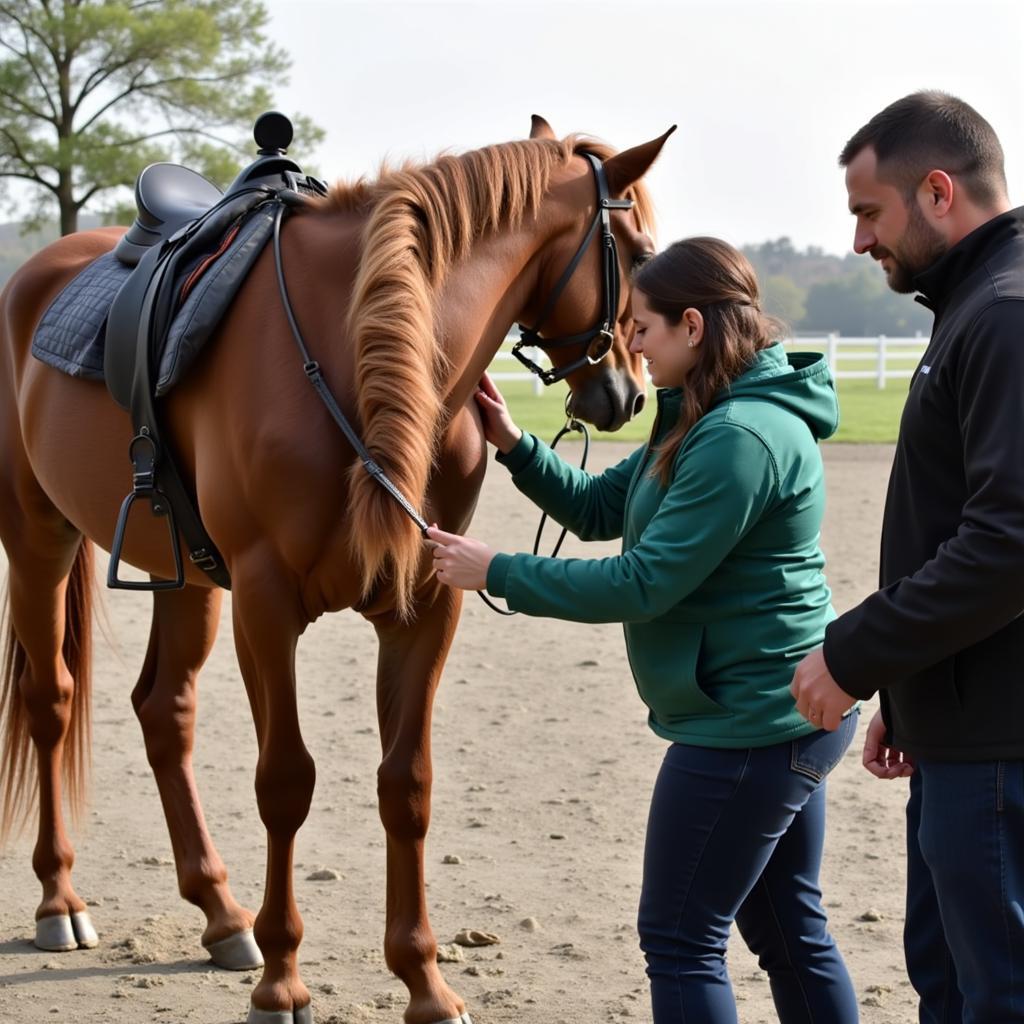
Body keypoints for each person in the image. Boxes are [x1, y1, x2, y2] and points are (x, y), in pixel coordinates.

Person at [427, 236, 859, 1024]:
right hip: (779, 712)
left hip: (749, 726)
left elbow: (645, 582)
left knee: (681, 938)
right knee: (789, 932)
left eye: (641, 327)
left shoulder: (738, 437)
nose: (629, 345)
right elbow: (601, 511)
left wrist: (497, 571)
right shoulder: (703, 416)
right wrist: (514, 447)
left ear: (692, 326)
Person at [790, 90, 1024, 1023]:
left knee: (996, 997)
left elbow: (1010, 542)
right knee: (951, 984)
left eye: (867, 213)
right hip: (960, 732)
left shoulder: (1005, 313)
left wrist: (856, 655)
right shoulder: (973, 304)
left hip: (1001, 748)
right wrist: (909, 698)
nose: (857, 242)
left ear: (936, 191)